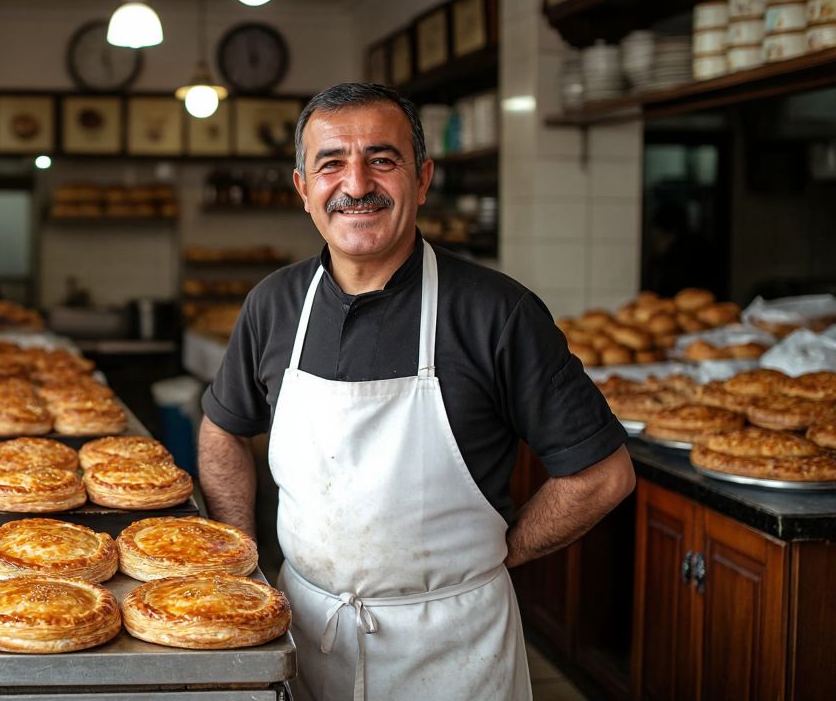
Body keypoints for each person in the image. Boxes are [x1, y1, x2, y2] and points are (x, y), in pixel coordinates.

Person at [197, 82, 635, 700]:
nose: (356, 184)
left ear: (422, 179)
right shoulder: (275, 305)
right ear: (303, 189)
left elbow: (603, 475)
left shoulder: (496, 312)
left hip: (455, 647)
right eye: (331, 163)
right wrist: (238, 556)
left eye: (382, 159)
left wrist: (503, 553)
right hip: (305, 630)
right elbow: (224, 428)